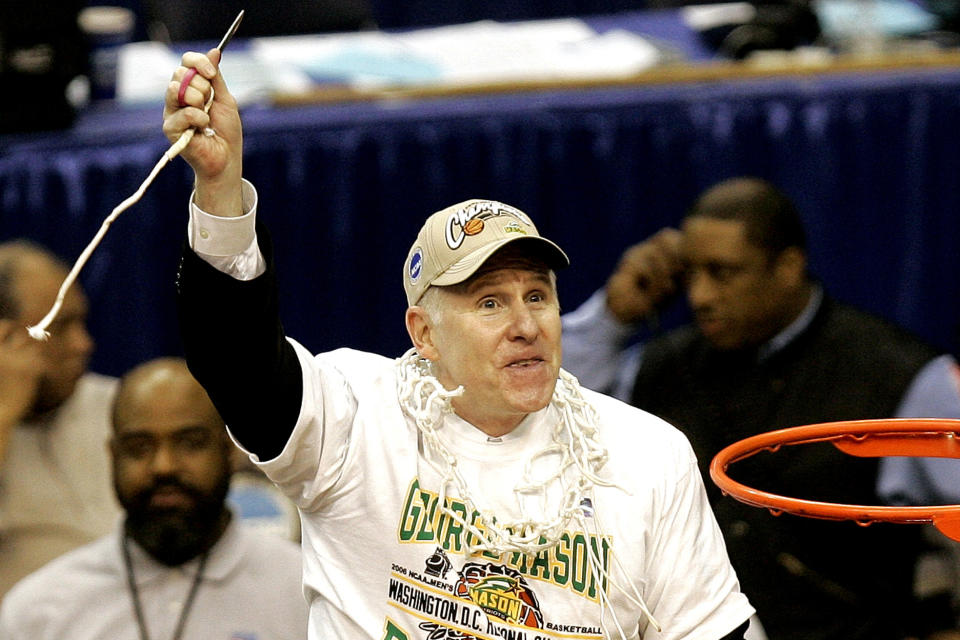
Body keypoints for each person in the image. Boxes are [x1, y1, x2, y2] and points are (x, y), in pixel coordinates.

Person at [159, 48, 756, 640]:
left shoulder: (646, 455)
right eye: (489, 302)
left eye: (537, 296)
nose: (525, 325)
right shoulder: (353, 416)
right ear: (424, 334)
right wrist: (219, 186)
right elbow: (236, 360)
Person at [561, 176, 960, 640]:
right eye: (690, 274)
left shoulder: (904, 374)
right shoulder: (656, 366)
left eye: (722, 272)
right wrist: (612, 318)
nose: (700, 297)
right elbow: (536, 409)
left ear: (788, 266)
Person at [0, 357, 307, 639]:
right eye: (139, 447)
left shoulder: (304, 589)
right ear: (113, 455)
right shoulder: (39, 611)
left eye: (190, 443)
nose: (164, 466)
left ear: (229, 452)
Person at [0, 240, 120, 600]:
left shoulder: (120, 406)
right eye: (61, 327)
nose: (84, 345)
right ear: (6, 338)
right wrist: (5, 414)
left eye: (81, 322)